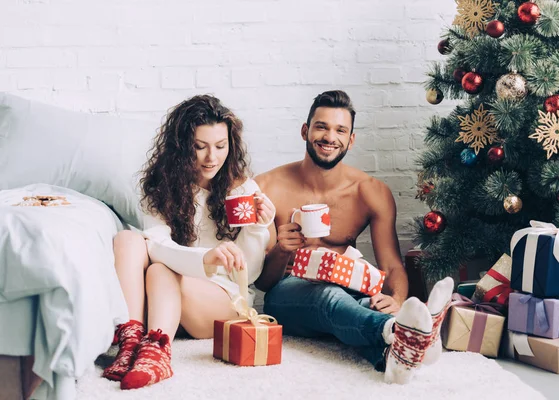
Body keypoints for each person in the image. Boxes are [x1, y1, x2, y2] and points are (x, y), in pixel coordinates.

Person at [254, 90, 453, 384]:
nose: (329, 137)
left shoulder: (370, 192)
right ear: (305, 131)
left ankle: (397, 354)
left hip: (350, 288)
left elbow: (392, 265)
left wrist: (396, 299)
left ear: (351, 139)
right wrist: (283, 249)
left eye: (340, 130)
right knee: (328, 296)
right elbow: (263, 283)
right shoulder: (268, 186)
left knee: (363, 305)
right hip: (287, 294)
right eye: (321, 127)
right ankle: (400, 332)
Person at [103, 95, 275, 390]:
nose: (212, 158)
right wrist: (204, 257)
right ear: (182, 147)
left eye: (221, 146)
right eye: (200, 147)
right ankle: (131, 343)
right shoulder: (161, 187)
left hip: (224, 297)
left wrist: (260, 226)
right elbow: (156, 245)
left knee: (160, 270)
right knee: (128, 239)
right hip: (166, 295)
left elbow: (251, 273)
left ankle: (157, 352)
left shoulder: (243, 188)